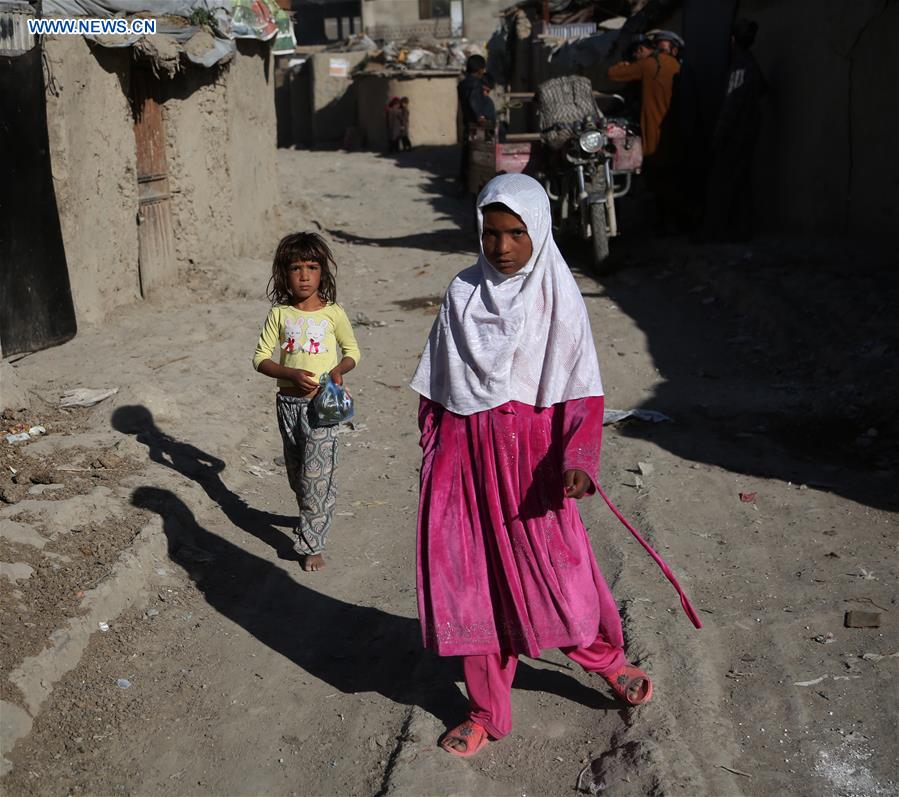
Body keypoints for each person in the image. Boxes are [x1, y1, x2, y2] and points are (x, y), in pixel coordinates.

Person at [411, 174, 700, 756]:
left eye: (516, 233)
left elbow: (582, 392)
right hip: (465, 468)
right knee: (475, 589)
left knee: (558, 579)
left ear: (539, 230)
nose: (501, 247)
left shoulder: (557, 298)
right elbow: (437, 391)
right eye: (491, 233)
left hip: (532, 469)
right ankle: (486, 712)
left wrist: (578, 458)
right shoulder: (462, 293)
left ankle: (607, 662)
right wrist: (436, 457)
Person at [252, 232, 361, 572]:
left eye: (312, 267)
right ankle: (315, 510)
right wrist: (288, 373)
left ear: (322, 272)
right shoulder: (280, 314)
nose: (304, 276)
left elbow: (352, 351)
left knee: (316, 478)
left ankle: (312, 544)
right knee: (299, 477)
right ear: (284, 273)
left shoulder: (333, 313)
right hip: (288, 407)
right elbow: (260, 358)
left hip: (321, 408)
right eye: (296, 268)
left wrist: (339, 370)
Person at [701, 19, 766, 241]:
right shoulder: (751, 62)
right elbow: (763, 89)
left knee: (721, 183)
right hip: (748, 131)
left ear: (732, 40)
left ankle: (715, 232)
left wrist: (719, 134)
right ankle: (740, 230)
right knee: (741, 181)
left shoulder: (741, 65)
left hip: (736, 133)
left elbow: (731, 103)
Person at [607, 34, 680, 158]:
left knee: (653, 154)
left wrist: (624, 64)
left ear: (640, 49)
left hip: (654, 123)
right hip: (674, 122)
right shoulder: (675, 64)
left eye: (634, 54)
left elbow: (613, 74)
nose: (635, 57)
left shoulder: (646, 64)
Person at [457, 54, 487, 188]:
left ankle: (464, 183)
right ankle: (473, 184)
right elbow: (473, 101)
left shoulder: (463, 83)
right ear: (479, 69)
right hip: (475, 125)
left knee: (467, 153)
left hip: (466, 123)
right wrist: (480, 117)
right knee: (477, 154)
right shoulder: (476, 83)